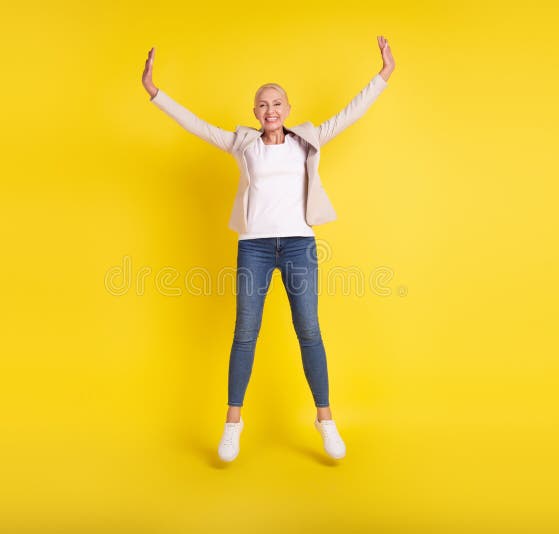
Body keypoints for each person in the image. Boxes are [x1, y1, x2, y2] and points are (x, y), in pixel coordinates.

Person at [141, 36, 395, 462]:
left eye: (276, 103)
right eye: (262, 105)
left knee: (309, 331)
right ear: (254, 113)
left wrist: (384, 75)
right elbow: (196, 124)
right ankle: (233, 425)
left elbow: (351, 113)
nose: (270, 110)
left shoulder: (307, 140)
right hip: (254, 248)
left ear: (288, 110)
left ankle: (325, 420)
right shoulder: (244, 145)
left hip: (299, 245)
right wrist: (155, 93)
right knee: (245, 333)